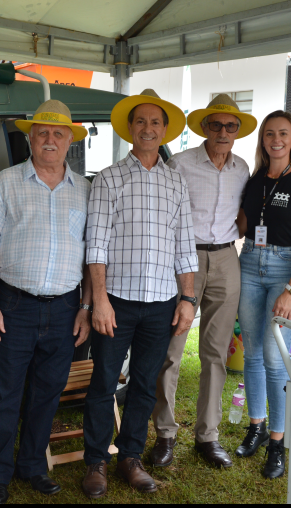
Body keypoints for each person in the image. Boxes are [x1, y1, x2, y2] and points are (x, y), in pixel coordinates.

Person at [0, 100, 93, 505]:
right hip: (14, 305)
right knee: (3, 393)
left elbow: (95, 254)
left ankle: (32, 466)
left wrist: (86, 308)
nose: (50, 139)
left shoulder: (86, 191)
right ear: (29, 137)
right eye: (42, 132)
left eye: (58, 133)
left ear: (69, 141)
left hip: (64, 308)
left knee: (48, 392)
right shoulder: (6, 182)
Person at [82, 89, 194, 498]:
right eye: (141, 121)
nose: (148, 129)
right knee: (104, 382)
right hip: (118, 302)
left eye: (156, 122)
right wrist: (100, 300)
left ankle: (131, 457)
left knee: (146, 383)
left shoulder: (175, 181)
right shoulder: (110, 177)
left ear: (165, 131)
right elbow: (96, 243)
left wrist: (188, 299)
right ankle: (95, 460)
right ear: (130, 128)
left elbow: (185, 245)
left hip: (162, 302)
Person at [152, 93, 257, 469]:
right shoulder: (179, 164)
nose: (223, 132)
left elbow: (244, 213)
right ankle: (165, 433)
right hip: (185, 257)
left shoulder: (242, 168)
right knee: (172, 350)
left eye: (231, 126)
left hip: (227, 256)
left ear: (237, 131)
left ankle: (207, 437)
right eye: (216, 125)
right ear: (204, 128)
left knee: (216, 351)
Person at [234, 110, 291, 479]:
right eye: (269, 133)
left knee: (275, 357)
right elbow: (241, 225)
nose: (275, 139)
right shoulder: (254, 181)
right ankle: (255, 426)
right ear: (263, 140)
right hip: (249, 262)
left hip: (285, 267)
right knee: (252, 353)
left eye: (282, 133)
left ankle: (278, 441)